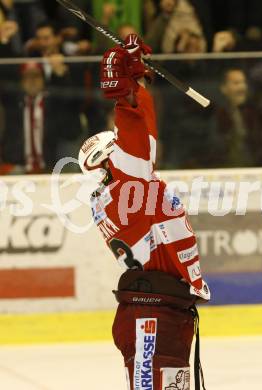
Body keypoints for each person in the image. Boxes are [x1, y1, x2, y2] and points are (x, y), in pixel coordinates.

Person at [78, 34, 210, 390]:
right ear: (108, 161)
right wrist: (125, 89)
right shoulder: (127, 189)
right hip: (154, 316)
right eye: (118, 147)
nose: (126, 147)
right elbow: (137, 133)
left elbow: (140, 144)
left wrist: (135, 80)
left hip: (156, 311)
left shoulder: (121, 193)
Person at [0, 61, 82, 174]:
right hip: (19, 166)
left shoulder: (54, 102)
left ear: (43, 80)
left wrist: (61, 77)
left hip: (51, 166)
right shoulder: (13, 104)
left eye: (36, 76)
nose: (32, 80)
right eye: (27, 76)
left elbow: (72, 110)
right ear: (21, 81)